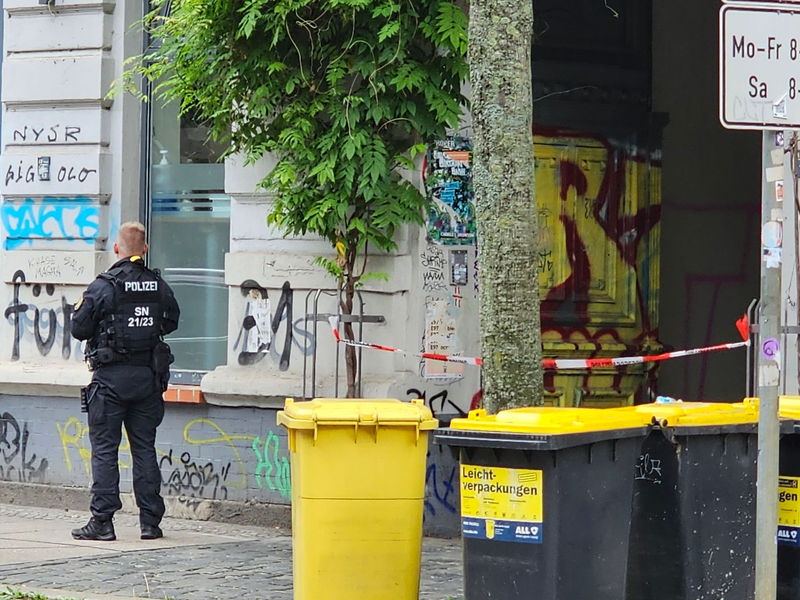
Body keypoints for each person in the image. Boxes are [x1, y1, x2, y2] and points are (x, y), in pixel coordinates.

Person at [70, 221, 180, 541]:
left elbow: (79, 328)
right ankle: (150, 522)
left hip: (110, 379)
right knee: (144, 449)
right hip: (146, 379)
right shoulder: (158, 284)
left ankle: (102, 522)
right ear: (144, 249)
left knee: (105, 450)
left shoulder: (103, 286)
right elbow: (172, 321)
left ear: (116, 248)